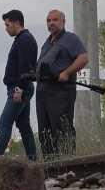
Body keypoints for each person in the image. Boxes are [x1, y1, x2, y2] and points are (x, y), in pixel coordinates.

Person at [0, 10, 37, 173]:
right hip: (22, 87)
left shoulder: (24, 40)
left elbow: (25, 68)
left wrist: (19, 89)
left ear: (17, 22)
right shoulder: (24, 39)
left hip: (19, 88)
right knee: (24, 126)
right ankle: (33, 162)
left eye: (7, 24)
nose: (6, 28)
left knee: (5, 122)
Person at [36, 9, 88, 160]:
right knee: (45, 131)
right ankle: (50, 166)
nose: (51, 23)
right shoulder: (48, 42)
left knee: (62, 128)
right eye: (49, 20)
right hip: (43, 91)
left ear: (63, 22)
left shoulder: (70, 39)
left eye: (55, 20)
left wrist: (67, 72)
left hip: (60, 92)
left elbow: (83, 58)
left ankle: (67, 163)